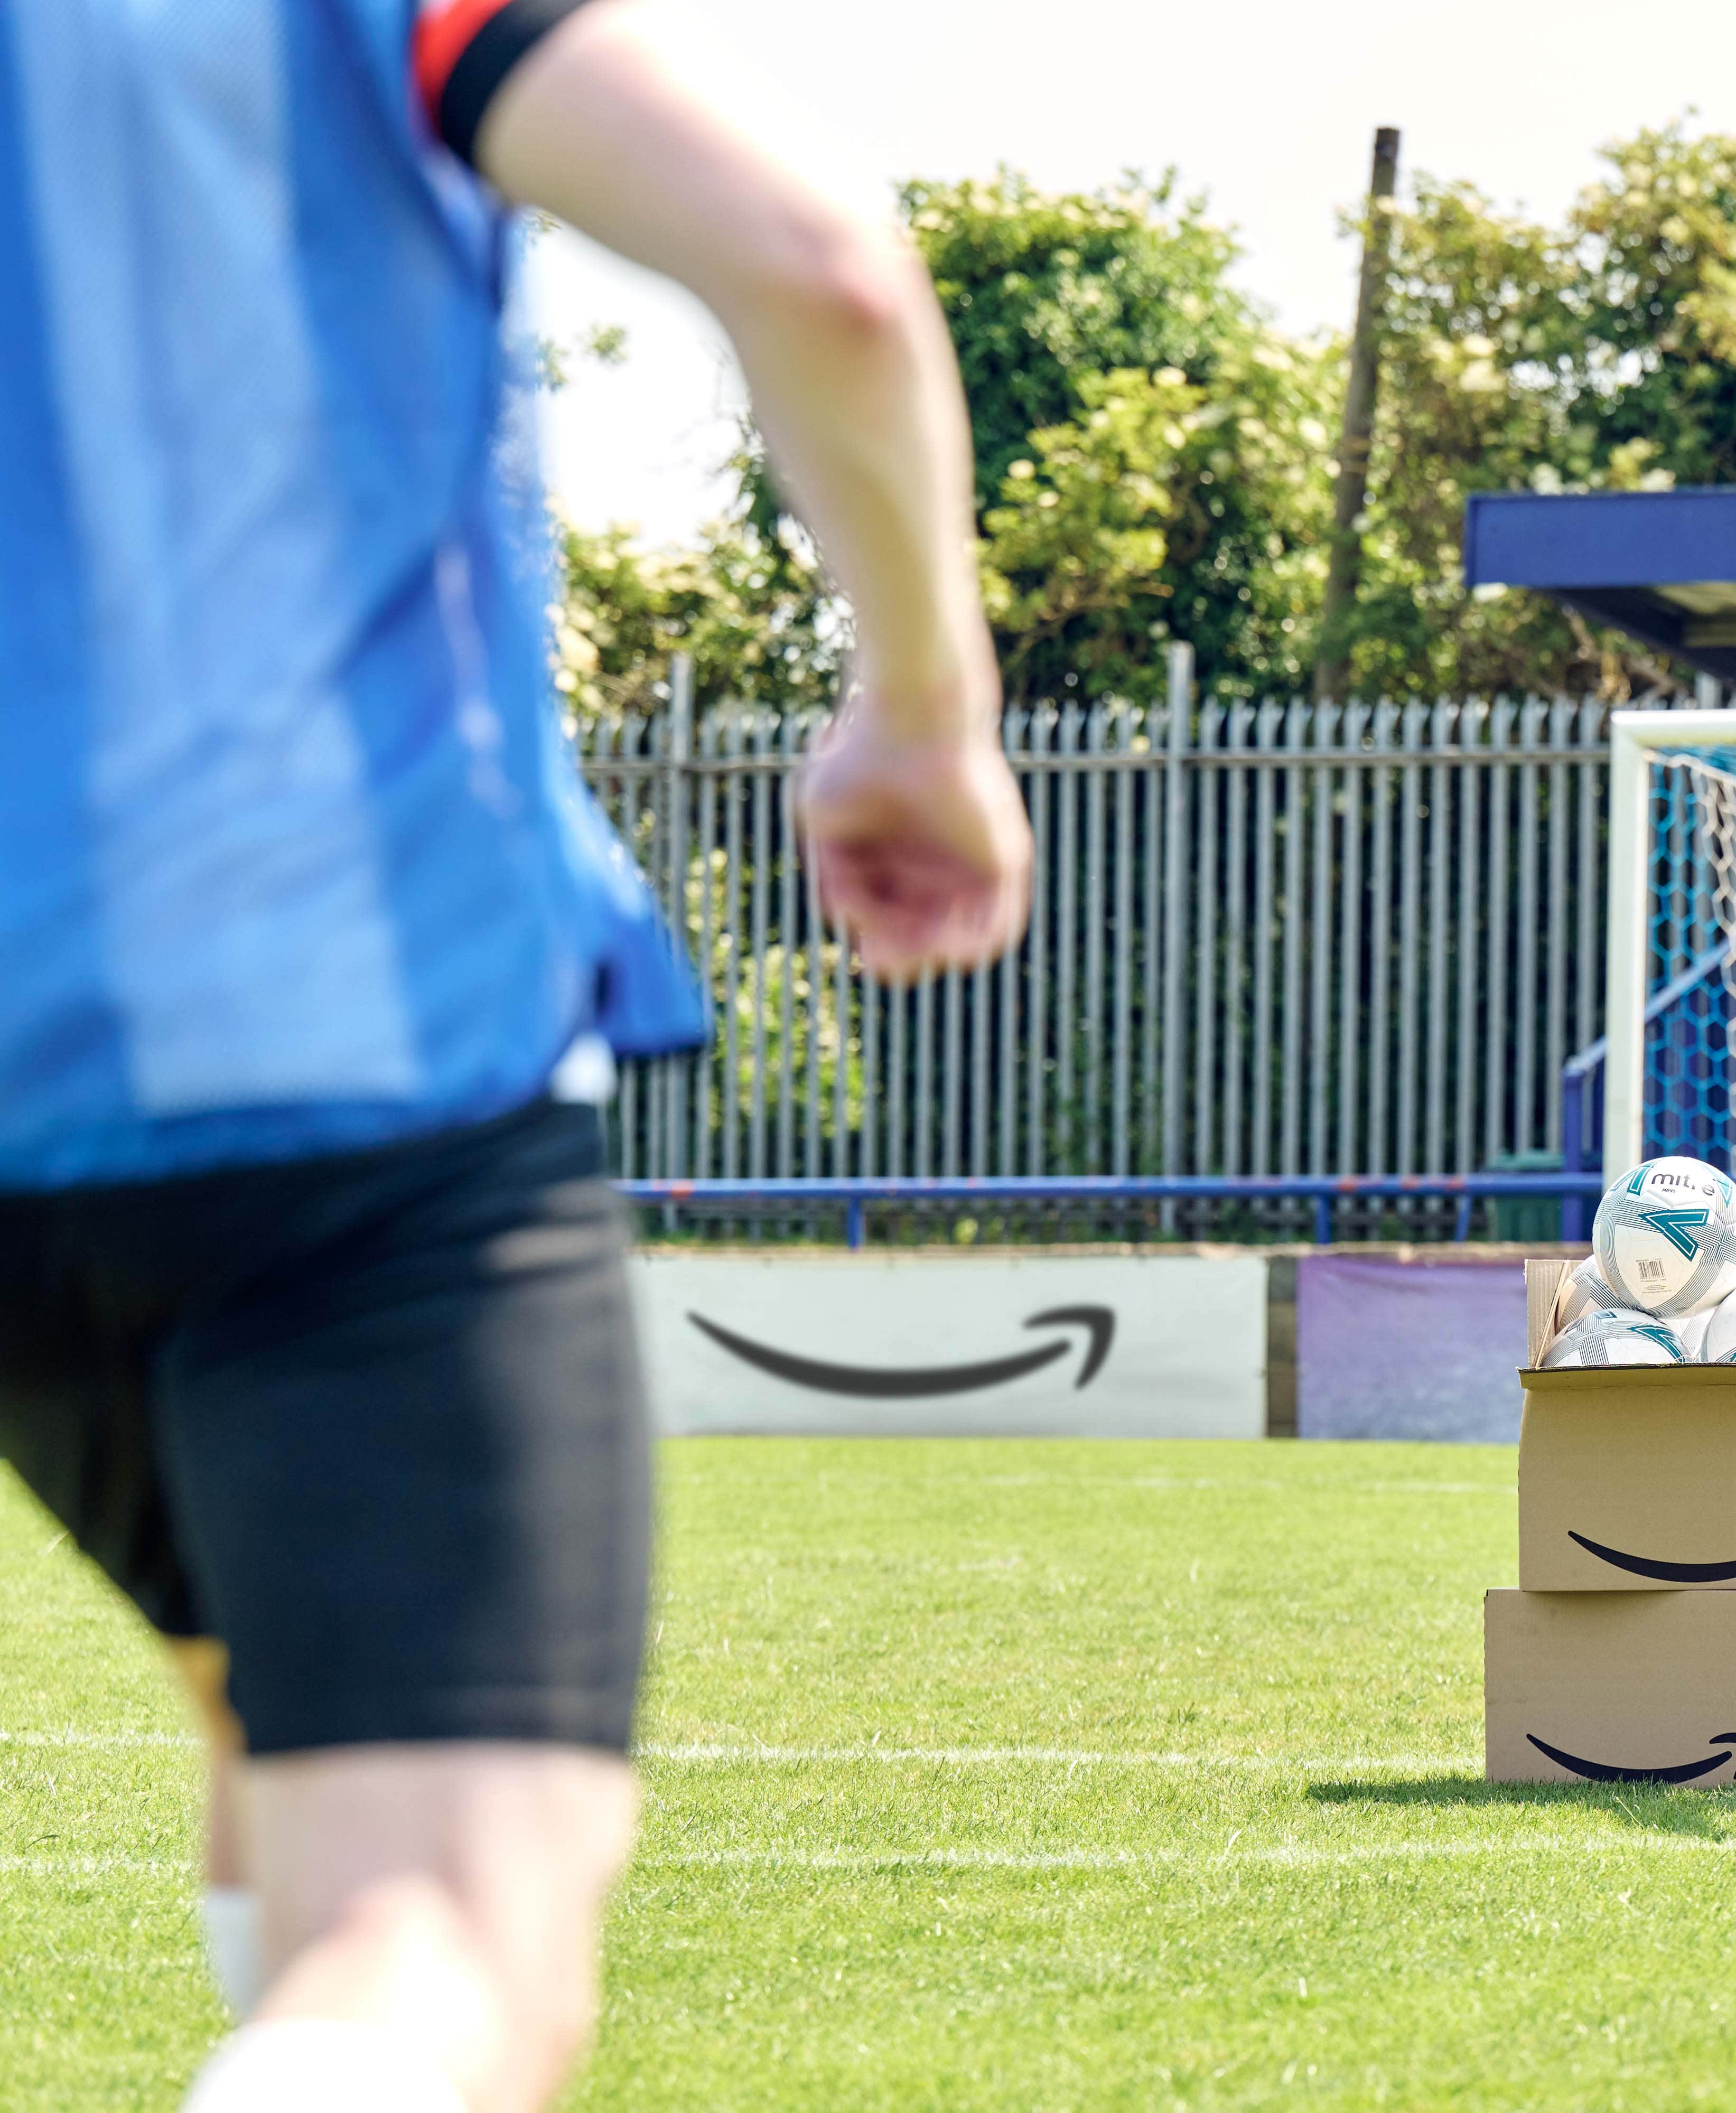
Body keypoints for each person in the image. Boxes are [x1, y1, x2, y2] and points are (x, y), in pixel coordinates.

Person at [0, 3, 1031, 2107]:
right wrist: (923, 713)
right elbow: (814, 256)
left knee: (282, 1722)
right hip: (353, 1079)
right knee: (443, 1936)